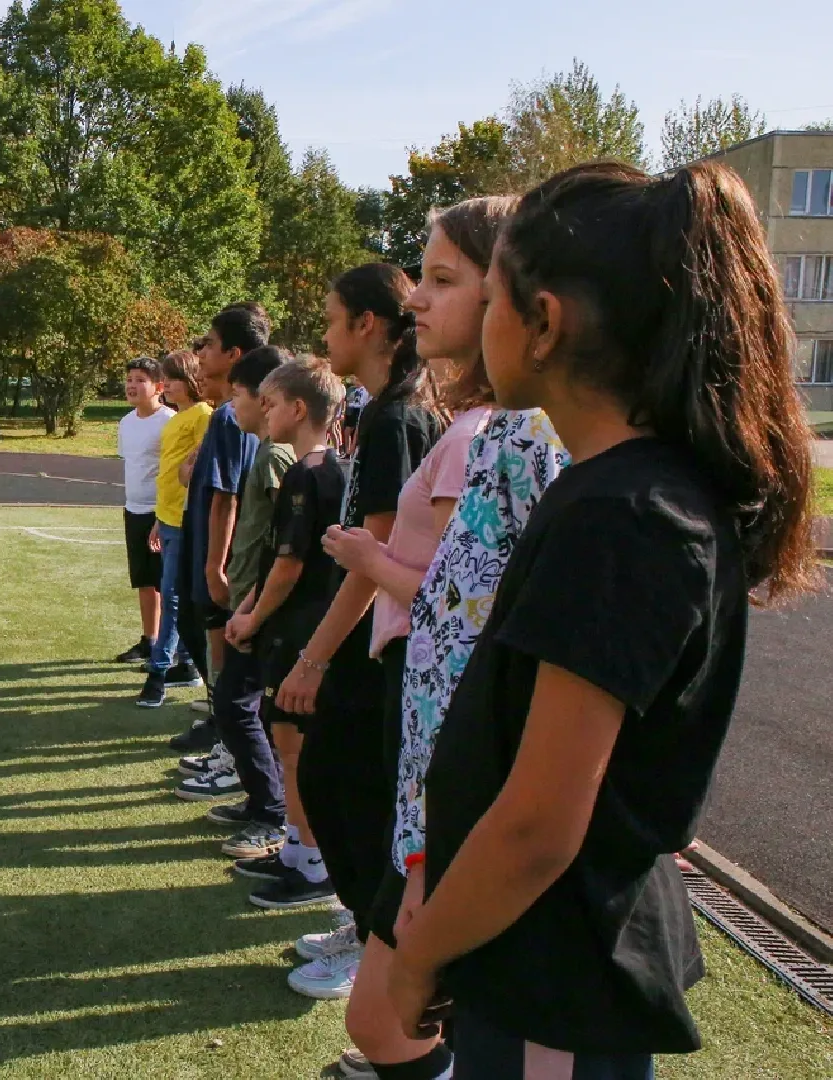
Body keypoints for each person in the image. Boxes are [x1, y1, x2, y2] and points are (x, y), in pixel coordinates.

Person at [388, 162, 817, 1077]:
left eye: (493, 296)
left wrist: (417, 958)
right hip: (529, 952)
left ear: (544, 323)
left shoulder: (624, 516)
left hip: (561, 973)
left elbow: (539, 826)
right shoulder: (604, 491)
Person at [322, 196, 562, 1080]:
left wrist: (368, 564)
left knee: (389, 1019)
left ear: (517, 296)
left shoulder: (527, 439)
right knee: (386, 1021)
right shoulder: (497, 429)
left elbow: (507, 643)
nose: (414, 298)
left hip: (473, 813)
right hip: (436, 804)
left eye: (441, 279)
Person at [274, 264, 442, 1000]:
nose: (324, 334)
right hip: (382, 640)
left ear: (366, 325)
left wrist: (313, 658)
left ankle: (374, 945)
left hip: (386, 646)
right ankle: (363, 922)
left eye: (333, 318)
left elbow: (376, 560)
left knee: (349, 789)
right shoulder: (386, 409)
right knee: (337, 781)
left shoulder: (395, 416)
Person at [223, 358, 348, 914]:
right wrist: (249, 604)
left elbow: (290, 566)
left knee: (295, 748)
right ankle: (298, 849)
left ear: (300, 410)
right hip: (298, 624)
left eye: (271, 404)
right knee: (287, 743)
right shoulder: (325, 469)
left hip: (301, 626)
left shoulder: (309, 474)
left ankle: (314, 862)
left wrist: (252, 617)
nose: (264, 412)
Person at [176, 347, 296, 866]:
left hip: (261, 604)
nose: (234, 407)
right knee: (234, 701)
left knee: (240, 704)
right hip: (251, 596)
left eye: (243, 398)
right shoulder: (262, 448)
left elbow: (283, 547)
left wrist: (246, 597)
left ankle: (273, 815)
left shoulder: (275, 457)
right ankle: (260, 802)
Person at [167, 303, 269, 754]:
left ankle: (225, 725)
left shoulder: (231, 417)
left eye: (209, 344)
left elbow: (225, 495)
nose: (202, 353)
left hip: (217, 549)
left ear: (234, 353)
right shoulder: (230, 414)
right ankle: (224, 717)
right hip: (219, 545)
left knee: (210, 635)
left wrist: (213, 564)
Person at [139, 351, 211, 706]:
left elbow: (197, 469)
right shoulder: (177, 418)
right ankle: (187, 664)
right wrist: (158, 519)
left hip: (184, 521)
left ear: (191, 380)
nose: (166, 386)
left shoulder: (203, 416)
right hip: (168, 517)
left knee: (171, 595)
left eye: (173, 379)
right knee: (173, 593)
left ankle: (159, 671)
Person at [114, 357, 176, 666]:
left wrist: (161, 515)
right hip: (133, 511)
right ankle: (149, 640)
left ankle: (170, 645)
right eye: (129, 378)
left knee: (165, 582)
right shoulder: (125, 422)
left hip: (161, 514)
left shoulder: (169, 421)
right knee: (143, 580)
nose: (132, 385)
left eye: (140, 379)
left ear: (159, 387)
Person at [342, 382, 370, 456]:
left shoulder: (365, 390)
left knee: (357, 431)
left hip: (360, 410)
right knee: (347, 431)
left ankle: (354, 451)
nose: (356, 381)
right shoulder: (351, 389)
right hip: (351, 411)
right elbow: (347, 400)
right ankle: (348, 451)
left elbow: (364, 402)